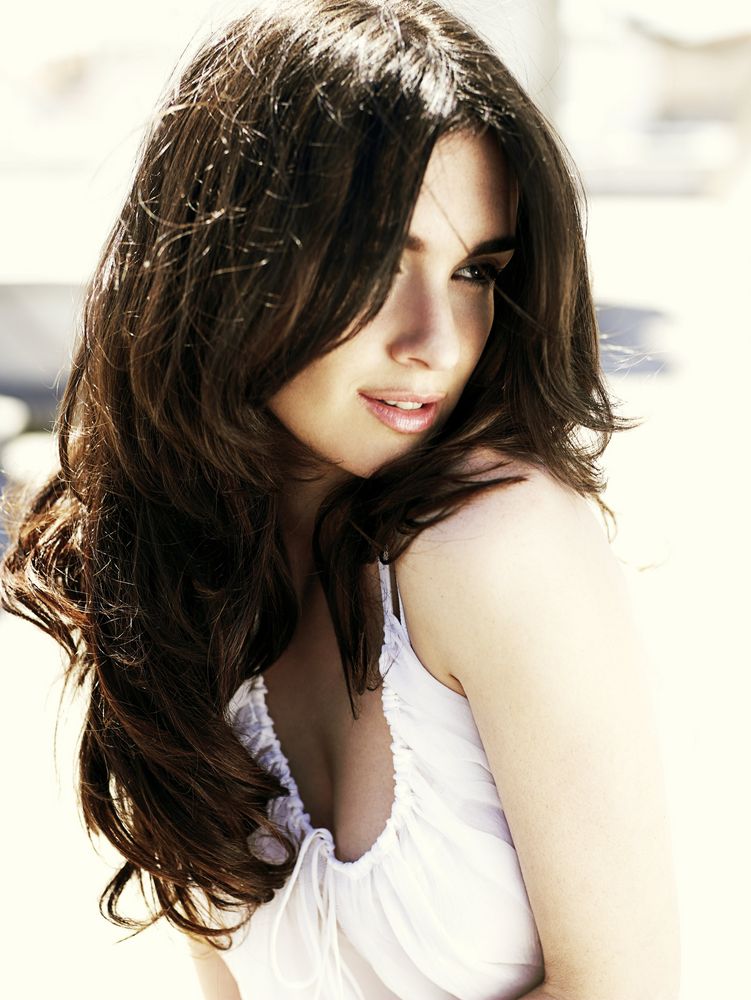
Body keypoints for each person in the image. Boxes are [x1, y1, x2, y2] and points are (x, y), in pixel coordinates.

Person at [0, 1, 680, 998]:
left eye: (476, 271)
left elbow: (624, 986)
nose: (435, 340)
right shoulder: (174, 593)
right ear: (228, 261)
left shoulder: (495, 542)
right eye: (377, 264)